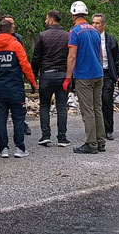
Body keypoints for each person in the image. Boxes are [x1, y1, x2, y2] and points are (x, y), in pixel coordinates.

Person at [0, 18, 37, 158]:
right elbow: (25, 66)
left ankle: (3, 149)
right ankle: (20, 148)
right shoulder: (16, 45)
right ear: (9, 30)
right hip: (15, 89)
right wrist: (33, 83)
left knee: (0, 119)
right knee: (18, 119)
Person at [64, 1, 106, 155]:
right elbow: (100, 54)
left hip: (84, 76)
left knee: (87, 110)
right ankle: (101, 141)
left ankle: (91, 143)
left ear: (73, 15)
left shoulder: (75, 32)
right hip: (98, 74)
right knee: (97, 108)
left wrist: (68, 78)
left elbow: (72, 56)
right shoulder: (95, 31)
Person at [32, 10, 71, 147]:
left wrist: (33, 76)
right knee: (61, 107)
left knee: (44, 105)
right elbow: (71, 56)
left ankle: (45, 135)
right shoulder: (67, 36)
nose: (45, 21)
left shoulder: (42, 35)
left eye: (46, 18)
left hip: (47, 75)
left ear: (51, 19)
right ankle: (62, 137)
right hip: (62, 74)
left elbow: (36, 58)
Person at [91, 13, 119, 140]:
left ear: (103, 25)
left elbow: (117, 60)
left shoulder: (111, 40)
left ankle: (108, 129)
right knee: (94, 103)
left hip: (106, 74)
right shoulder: (89, 38)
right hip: (92, 73)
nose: (94, 25)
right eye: (93, 23)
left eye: (97, 23)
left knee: (106, 101)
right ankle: (96, 130)